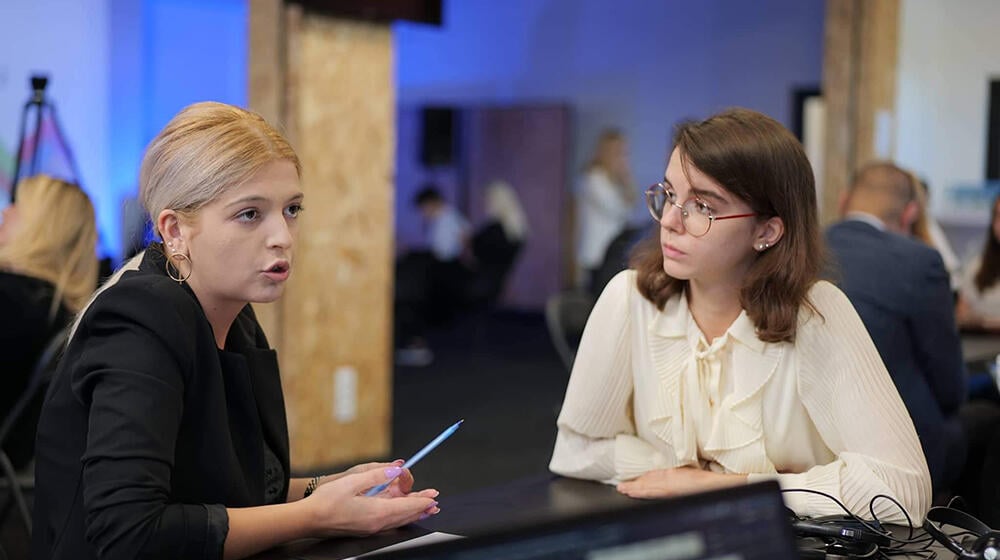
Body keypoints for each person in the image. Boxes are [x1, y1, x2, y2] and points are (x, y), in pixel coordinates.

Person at [32, 102, 439, 560]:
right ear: (175, 230)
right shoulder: (141, 315)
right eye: (250, 214)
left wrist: (334, 488)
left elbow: (228, 490)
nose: (282, 236)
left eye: (291, 209)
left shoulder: (235, 314)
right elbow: (131, 534)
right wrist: (316, 514)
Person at [549, 108, 931, 523]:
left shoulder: (815, 314)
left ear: (767, 232)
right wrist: (690, 476)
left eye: (702, 207)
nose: (671, 221)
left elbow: (900, 490)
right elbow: (575, 451)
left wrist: (722, 486)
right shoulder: (630, 298)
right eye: (670, 195)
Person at [825, 162, 966, 495]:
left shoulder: (800, 248)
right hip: (900, 449)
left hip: (816, 438)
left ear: (844, 200)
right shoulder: (920, 261)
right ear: (910, 213)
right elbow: (950, 388)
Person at [0, 174, 98, 469]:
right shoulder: (57, 310)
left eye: (17, 206)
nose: (5, 212)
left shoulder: (10, 298)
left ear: (42, 227)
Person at [576, 128, 636, 292]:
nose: (622, 158)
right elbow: (619, 209)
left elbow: (632, 204)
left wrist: (626, 179)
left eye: (624, 153)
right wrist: (625, 178)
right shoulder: (593, 179)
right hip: (596, 254)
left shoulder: (614, 181)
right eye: (618, 152)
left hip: (611, 252)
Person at [958, 195, 1000, 330]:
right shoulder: (977, 266)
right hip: (981, 345)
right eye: (998, 216)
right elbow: (961, 314)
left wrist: (985, 321)